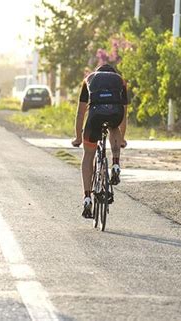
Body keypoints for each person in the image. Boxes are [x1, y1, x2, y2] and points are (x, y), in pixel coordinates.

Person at [72, 64, 128, 219]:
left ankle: (87, 197)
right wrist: (122, 138)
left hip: (95, 115)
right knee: (114, 127)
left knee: (88, 154)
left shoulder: (89, 79)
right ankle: (115, 163)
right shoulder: (120, 80)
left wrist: (78, 137)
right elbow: (124, 115)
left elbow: (80, 113)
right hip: (115, 113)